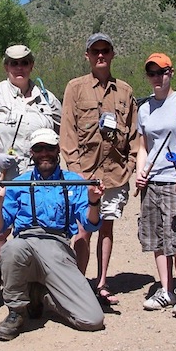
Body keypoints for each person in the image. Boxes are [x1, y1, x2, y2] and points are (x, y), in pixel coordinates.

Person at [0, 45, 61, 313]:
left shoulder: (47, 98)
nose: (18, 68)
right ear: (6, 66)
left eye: (24, 63)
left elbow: (60, 132)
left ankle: (29, 288)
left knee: (32, 233)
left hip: (36, 180)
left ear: (32, 65)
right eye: (13, 63)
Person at [0, 128, 105, 341]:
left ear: (57, 150)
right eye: (38, 148)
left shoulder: (73, 181)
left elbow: (90, 225)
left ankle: (41, 296)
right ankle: (16, 311)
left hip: (58, 247)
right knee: (12, 248)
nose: (44, 153)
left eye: (49, 148)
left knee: (93, 319)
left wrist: (94, 201)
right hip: (25, 243)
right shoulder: (18, 183)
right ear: (31, 152)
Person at [60, 32, 138, 305]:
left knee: (107, 228)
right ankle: (79, 284)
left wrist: (129, 165)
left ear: (113, 54)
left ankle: (102, 283)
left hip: (114, 174)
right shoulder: (75, 88)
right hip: (85, 174)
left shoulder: (125, 91)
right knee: (83, 229)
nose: (101, 55)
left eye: (106, 50)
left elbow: (134, 135)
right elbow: (67, 130)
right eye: (96, 51)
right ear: (88, 56)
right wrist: (75, 170)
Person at [135, 53, 176, 317]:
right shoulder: (144, 108)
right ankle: (165, 289)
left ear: (171, 73)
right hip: (151, 181)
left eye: (162, 72)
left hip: (175, 180)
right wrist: (140, 172)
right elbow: (143, 146)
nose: (157, 78)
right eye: (152, 74)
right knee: (157, 238)